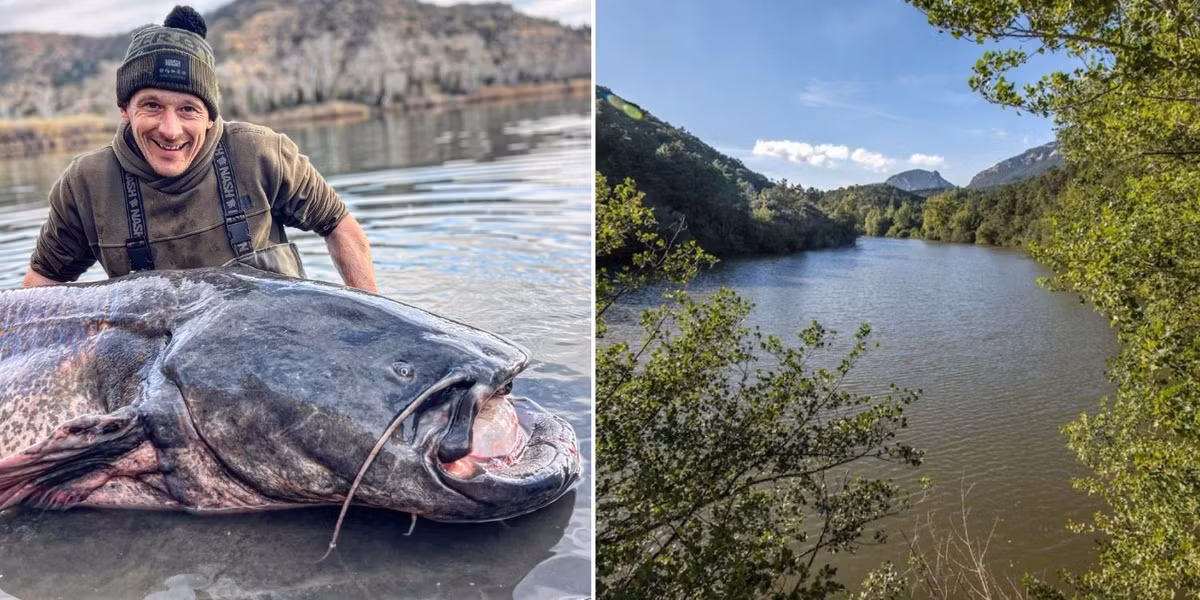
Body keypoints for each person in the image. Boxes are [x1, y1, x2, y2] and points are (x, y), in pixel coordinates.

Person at [21, 5, 378, 294]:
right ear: (125, 109)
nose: (171, 130)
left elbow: (339, 226)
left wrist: (376, 325)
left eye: (188, 109)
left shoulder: (259, 153)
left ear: (209, 116)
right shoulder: (86, 185)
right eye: (152, 106)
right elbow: (41, 286)